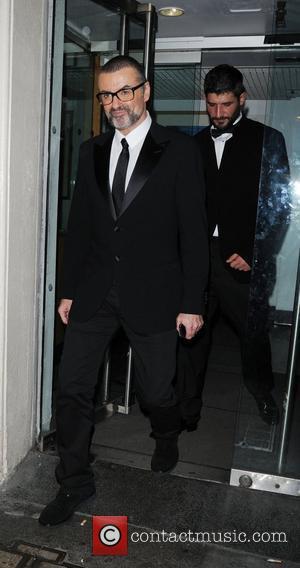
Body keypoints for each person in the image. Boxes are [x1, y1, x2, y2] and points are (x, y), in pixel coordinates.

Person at [39, 55, 208, 526]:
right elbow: (82, 227)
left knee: (157, 391)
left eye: (124, 91)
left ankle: (167, 431)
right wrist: (69, 289)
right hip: (95, 292)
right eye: (106, 94)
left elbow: (193, 235)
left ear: (146, 91)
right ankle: (73, 481)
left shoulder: (178, 150)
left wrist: (192, 303)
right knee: (72, 389)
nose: (115, 103)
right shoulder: (92, 149)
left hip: (155, 294)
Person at [177, 64, 290, 430]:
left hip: (243, 259)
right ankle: (187, 409)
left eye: (226, 104)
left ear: (242, 99)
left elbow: (280, 206)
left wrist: (255, 251)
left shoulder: (268, 139)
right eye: (212, 105)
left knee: (253, 334)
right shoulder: (193, 145)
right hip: (199, 259)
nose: (219, 113)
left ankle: (262, 395)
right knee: (191, 335)